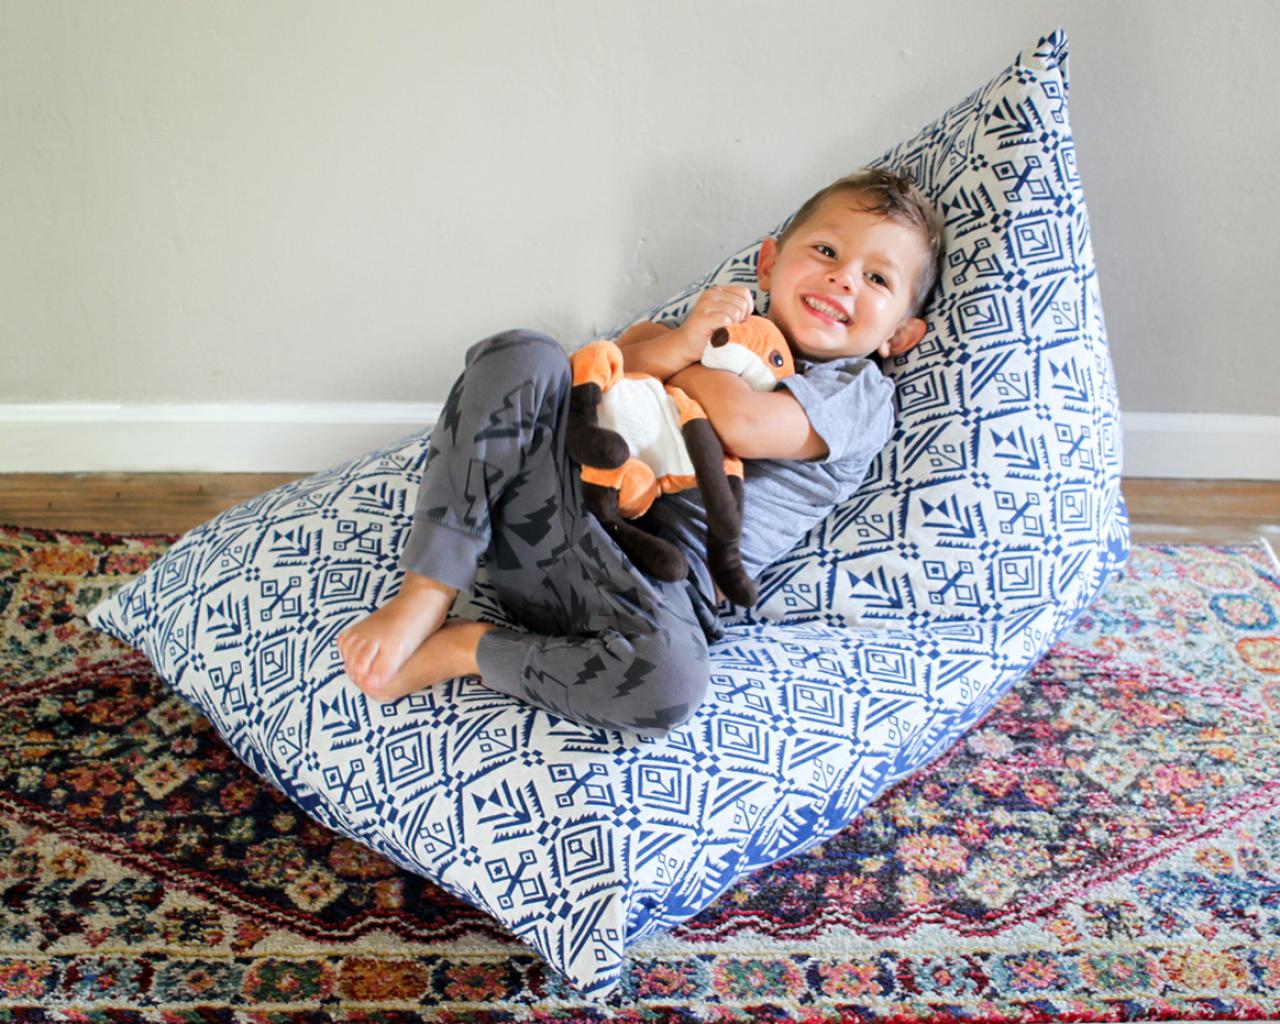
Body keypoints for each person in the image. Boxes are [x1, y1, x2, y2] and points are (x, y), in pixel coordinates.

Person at [335, 166, 944, 737]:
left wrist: (689, 357)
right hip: (553, 513)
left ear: (899, 335)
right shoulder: (726, 319)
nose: (843, 278)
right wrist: (683, 339)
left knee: (673, 683)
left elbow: (741, 424)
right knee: (526, 353)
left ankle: (469, 647)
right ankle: (430, 586)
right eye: (828, 252)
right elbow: (611, 365)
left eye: (878, 279)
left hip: (648, 586)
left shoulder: (857, 391)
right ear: (769, 261)